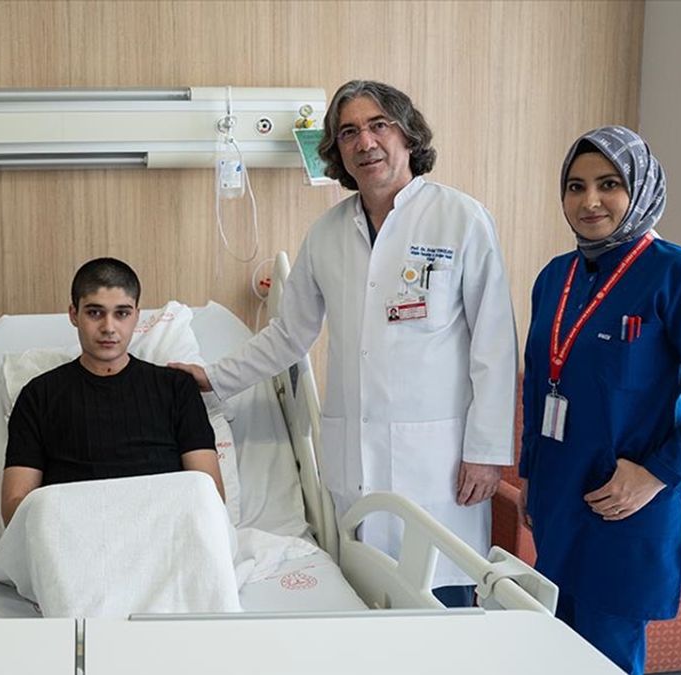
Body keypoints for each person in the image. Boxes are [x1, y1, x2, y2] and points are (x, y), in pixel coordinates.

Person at [171, 80, 517, 607]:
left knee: (442, 603)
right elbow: (289, 334)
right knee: (366, 605)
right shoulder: (327, 234)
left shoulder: (461, 220)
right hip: (355, 460)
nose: (365, 142)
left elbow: (495, 346)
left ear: (407, 135)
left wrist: (486, 454)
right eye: (349, 132)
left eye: (379, 126)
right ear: (336, 150)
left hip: (439, 464)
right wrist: (214, 378)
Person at [519, 126, 681, 675]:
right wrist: (530, 473)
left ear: (641, 188)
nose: (589, 201)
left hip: (627, 506)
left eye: (609, 184)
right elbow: (539, 385)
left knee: (608, 672)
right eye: (575, 186)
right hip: (558, 497)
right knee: (554, 659)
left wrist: (656, 475)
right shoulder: (555, 277)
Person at [1, 258, 222, 524]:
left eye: (122, 313)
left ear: (136, 316)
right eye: (95, 313)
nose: (108, 327)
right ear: (74, 315)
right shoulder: (39, 396)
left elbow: (210, 495)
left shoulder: (177, 388)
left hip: (163, 530)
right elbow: (15, 507)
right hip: (73, 533)